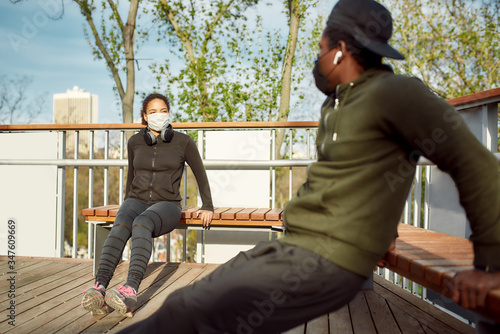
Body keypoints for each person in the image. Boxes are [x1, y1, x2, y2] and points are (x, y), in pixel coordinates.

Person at [118, 0, 500, 332]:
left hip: (326, 258)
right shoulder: (340, 102)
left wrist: (491, 266)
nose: (317, 59)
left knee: (187, 313)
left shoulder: (397, 93)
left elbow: (477, 167)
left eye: (320, 48)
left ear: (339, 50)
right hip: (297, 244)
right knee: (188, 303)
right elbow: (347, 175)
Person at [81, 93, 214, 316]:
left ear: (169, 114)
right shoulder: (134, 142)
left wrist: (207, 205)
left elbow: (201, 175)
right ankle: (99, 287)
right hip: (136, 199)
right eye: (153, 112)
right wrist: (125, 205)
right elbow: (131, 176)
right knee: (122, 222)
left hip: (167, 204)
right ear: (144, 116)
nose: (158, 115)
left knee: (142, 223)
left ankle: (130, 288)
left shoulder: (183, 141)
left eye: (163, 111)